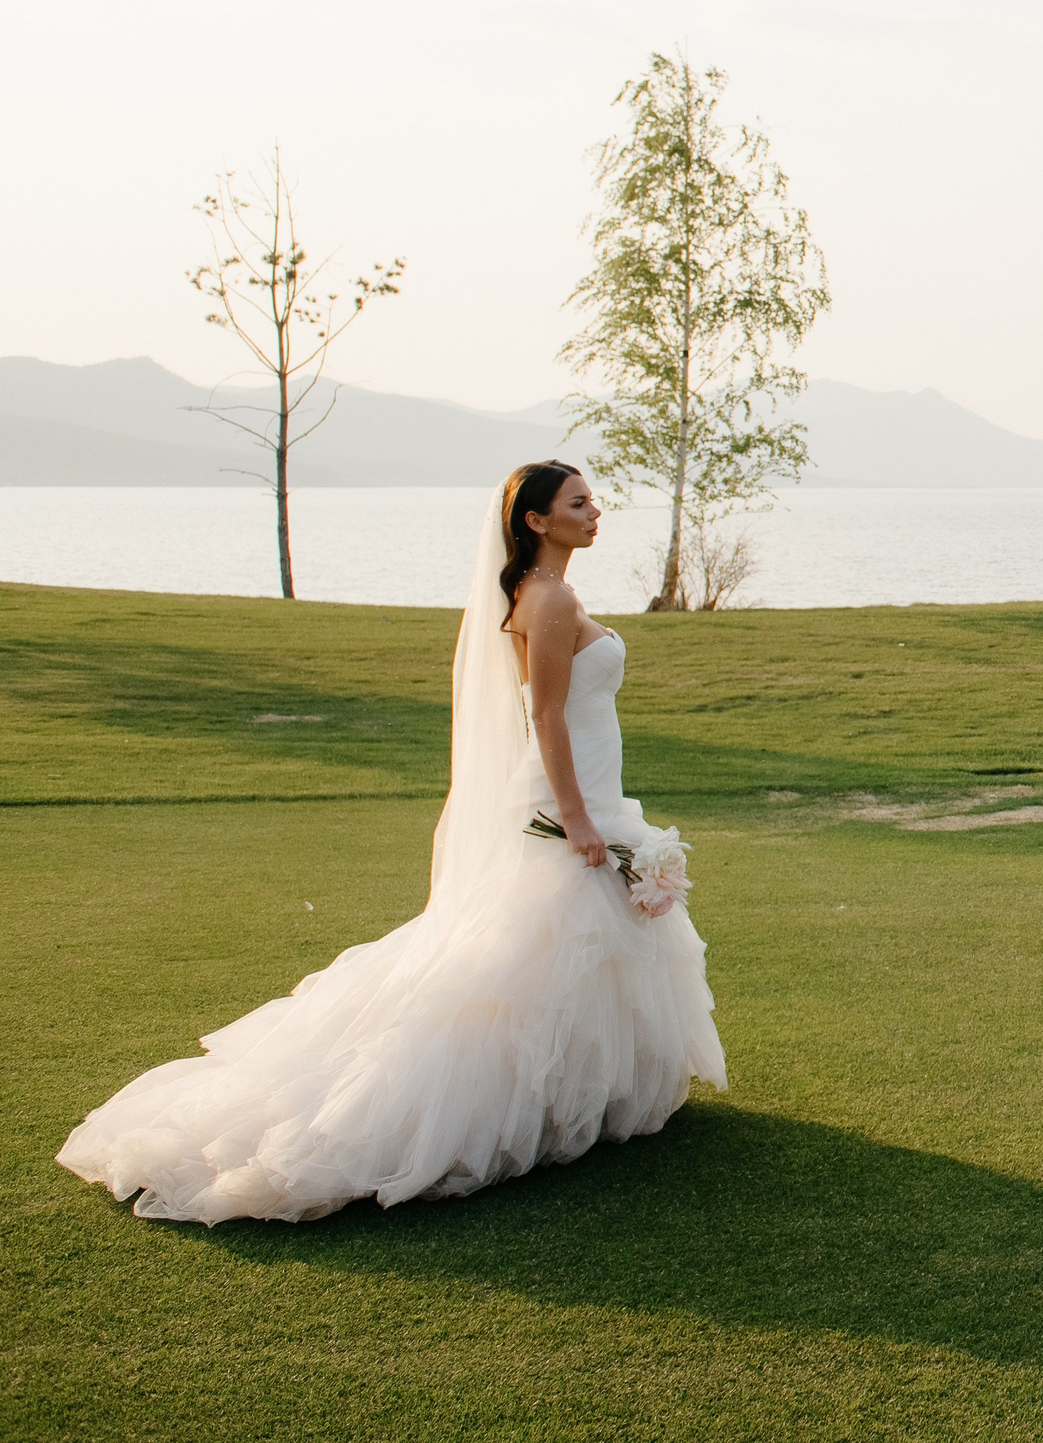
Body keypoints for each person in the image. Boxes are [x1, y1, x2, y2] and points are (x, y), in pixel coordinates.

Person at [58, 462, 725, 1223]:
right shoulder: (550, 598)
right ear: (537, 520)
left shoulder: (545, 595)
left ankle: (580, 1100)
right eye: (579, 502)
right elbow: (543, 716)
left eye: (592, 500)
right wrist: (577, 818)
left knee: (567, 952)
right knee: (532, 953)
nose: (595, 511)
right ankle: (488, 1109)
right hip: (571, 802)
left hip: (593, 793)